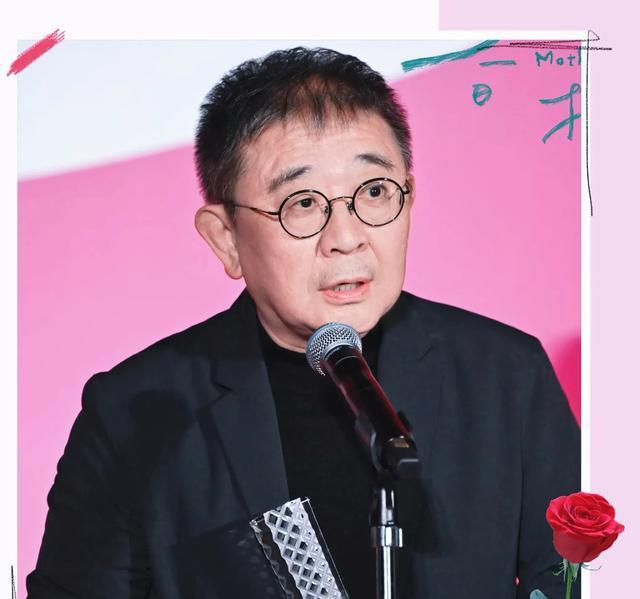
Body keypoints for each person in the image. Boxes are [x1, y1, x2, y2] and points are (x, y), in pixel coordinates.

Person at [26, 46, 580, 599]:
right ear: (226, 239)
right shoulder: (137, 414)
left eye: (375, 192)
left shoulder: (506, 377)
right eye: (304, 204)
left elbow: (574, 583)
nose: (346, 238)